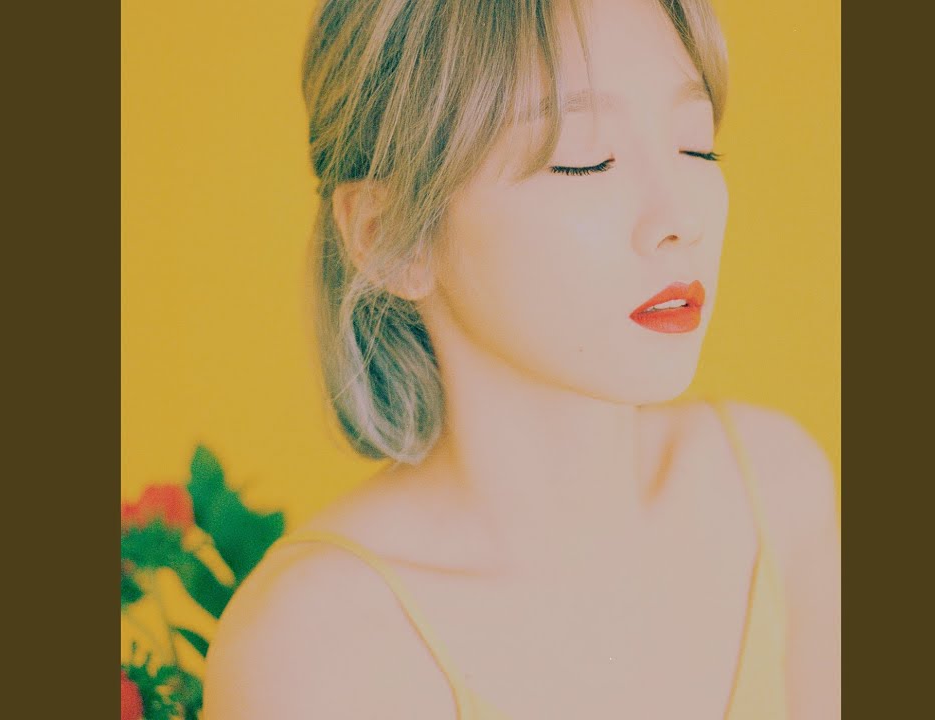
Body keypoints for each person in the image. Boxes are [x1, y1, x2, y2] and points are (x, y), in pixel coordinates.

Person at [204, 0, 839, 717]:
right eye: (585, 160)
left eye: (695, 146)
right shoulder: (318, 651)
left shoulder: (772, 491)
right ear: (389, 237)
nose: (680, 219)